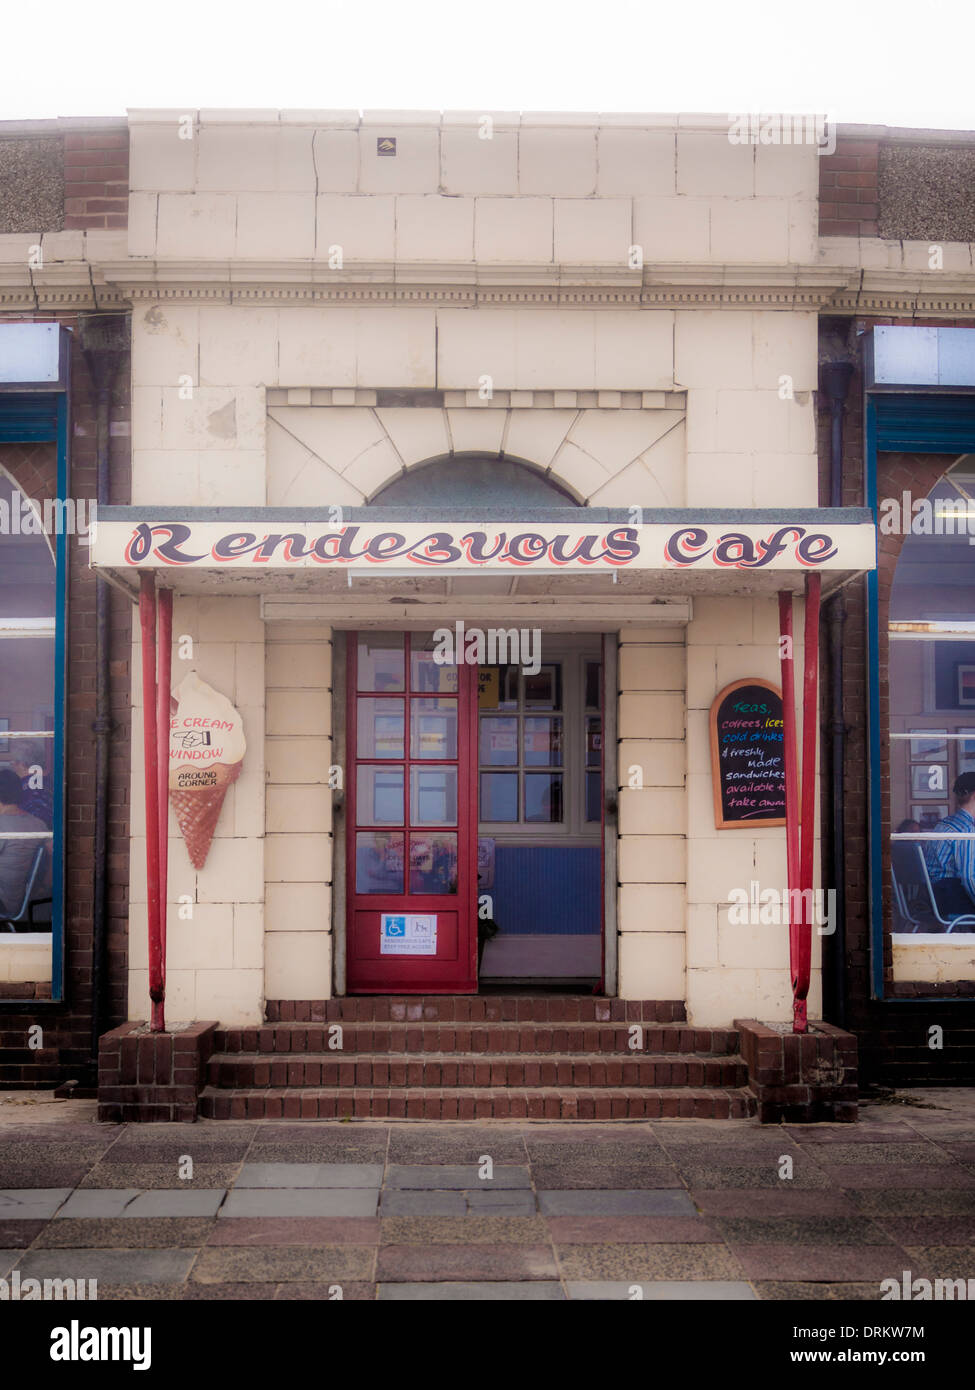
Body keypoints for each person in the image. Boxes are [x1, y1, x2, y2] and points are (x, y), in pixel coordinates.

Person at [923, 773, 975, 922]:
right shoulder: (966, 830)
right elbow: (969, 878)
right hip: (952, 901)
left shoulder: (944, 824)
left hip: (935, 899)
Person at [0, 768, 50, 922]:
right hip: (23, 900)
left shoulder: (2, 825)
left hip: (3, 904)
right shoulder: (38, 824)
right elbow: (54, 855)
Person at [8, 739, 54, 829]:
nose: (12, 766)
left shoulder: (23, 788)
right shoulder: (47, 782)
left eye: (13, 762)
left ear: (22, 764)